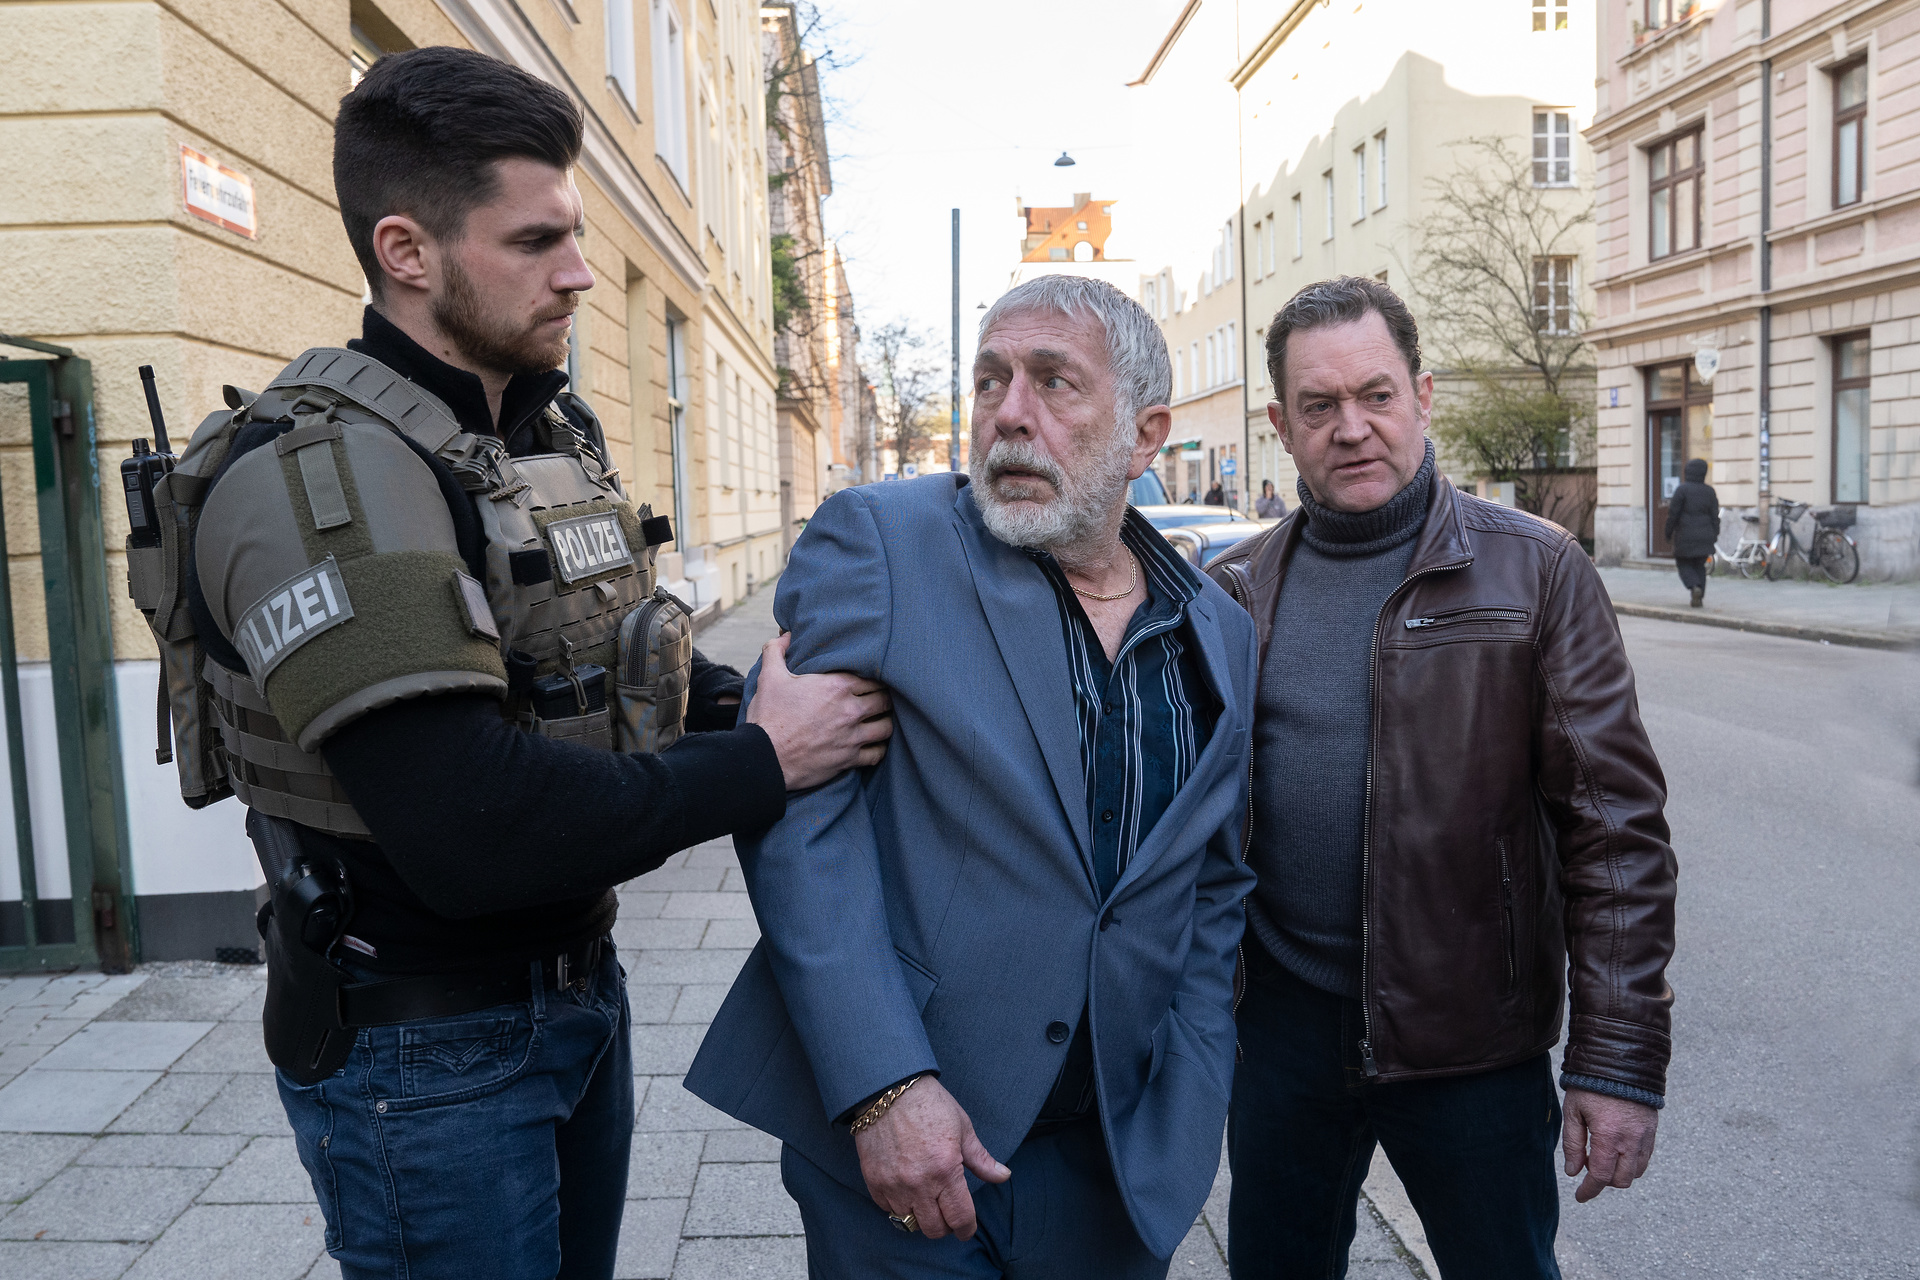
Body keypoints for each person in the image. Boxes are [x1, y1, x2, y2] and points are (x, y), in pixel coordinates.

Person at [183, 47, 890, 1279]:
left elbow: (613, 672)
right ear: (408, 252)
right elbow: (474, 826)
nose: (578, 273)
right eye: (536, 241)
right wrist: (768, 761)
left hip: (573, 995)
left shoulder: (533, 432)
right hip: (425, 1050)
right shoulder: (323, 484)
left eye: (575, 235)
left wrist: (783, 702)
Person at [686, 275, 1258, 1278]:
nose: (1008, 413)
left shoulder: (1218, 631)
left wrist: (1193, 1084)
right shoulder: (882, 543)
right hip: (905, 1149)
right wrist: (883, 1086)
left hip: (1115, 1160)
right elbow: (801, 823)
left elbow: (1212, 883)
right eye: (991, 379)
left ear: (1145, 433)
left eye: (1054, 382)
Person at [1206, 277, 1677, 1279]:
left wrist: (1616, 1059)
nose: (1352, 428)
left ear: (1422, 395)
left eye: (1376, 395)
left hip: (1471, 1044)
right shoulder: (1233, 591)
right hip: (1283, 1039)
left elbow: (1616, 835)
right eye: (1319, 405)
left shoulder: (1536, 570)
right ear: (1281, 426)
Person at [1665, 458, 1720, 607]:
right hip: (1705, 535)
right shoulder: (1709, 491)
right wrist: (1715, 534)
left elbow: (1673, 514)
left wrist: (1668, 532)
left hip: (1685, 535)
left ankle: (1694, 586)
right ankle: (1699, 596)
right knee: (1700, 566)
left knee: (1684, 563)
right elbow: (1715, 516)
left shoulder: (1682, 490)